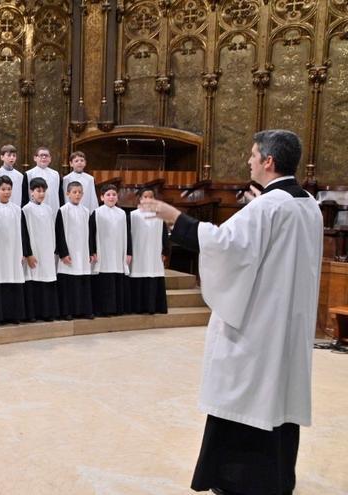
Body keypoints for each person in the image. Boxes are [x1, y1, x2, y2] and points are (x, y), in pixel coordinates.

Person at [141, 130, 323, 495]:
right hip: (290, 322)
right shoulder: (308, 205)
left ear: (269, 161)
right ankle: (278, 479)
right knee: (278, 399)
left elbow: (225, 245)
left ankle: (240, 481)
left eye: (253, 154)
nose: (249, 160)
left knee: (247, 398)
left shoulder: (270, 206)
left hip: (258, 326)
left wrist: (174, 216)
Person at [0, 175, 29, 324]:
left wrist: (24, 251)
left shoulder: (17, 209)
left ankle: (14, 315)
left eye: (9, 189)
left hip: (14, 251)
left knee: (13, 279)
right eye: (3, 189)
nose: (6, 192)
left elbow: (23, 232)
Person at [22, 178, 62, 321]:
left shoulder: (48, 209)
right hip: (34, 251)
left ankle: (47, 313)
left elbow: (52, 230)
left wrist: (53, 248)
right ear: (31, 192)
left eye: (43, 191)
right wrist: (28, 253)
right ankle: (33, 314)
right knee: (34, 280)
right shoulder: (26, 209)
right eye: (38, 191)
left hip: (47, 250)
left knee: (47, 279)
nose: (41, 194)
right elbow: (24, 233)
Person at [89, 184, 131, 317]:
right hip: (103, 252)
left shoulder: (122, 213)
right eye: (108, 194)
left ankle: (117, 308)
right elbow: (91, 233)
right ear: (102, 197)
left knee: (117, 278)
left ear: (117, 197)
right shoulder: (97, 213)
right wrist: (92, 251)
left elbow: (127, 233)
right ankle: (103, 309)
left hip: (118, 251)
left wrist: (128, 252)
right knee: (104, 280)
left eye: (114, 194)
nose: (111, 197)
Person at [57, 181, 94, 320]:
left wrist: (90, 252)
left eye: (80, 192)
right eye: (74, 192)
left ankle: (84, 310)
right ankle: (68, 311)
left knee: (83, 280)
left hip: (83, 251)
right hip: (69, 253)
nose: (77, 195)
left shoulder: (86, 211)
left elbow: (90, 234)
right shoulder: (63, 210)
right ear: (68, 194)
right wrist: (63, 253)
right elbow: (59, 233)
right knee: (69, 283)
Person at [128, 188, 169, 315]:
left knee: (153, 274)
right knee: (139, 274)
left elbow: (164, 235)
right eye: (145, 197)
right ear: (140, 199)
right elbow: (128, 235)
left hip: (155, 251)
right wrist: (129, 252)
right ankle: (138, 307)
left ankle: (154, 307)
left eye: (150, 197)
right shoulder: (133, 215)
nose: (148, 199)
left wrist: (165, 251)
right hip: (138, 251)